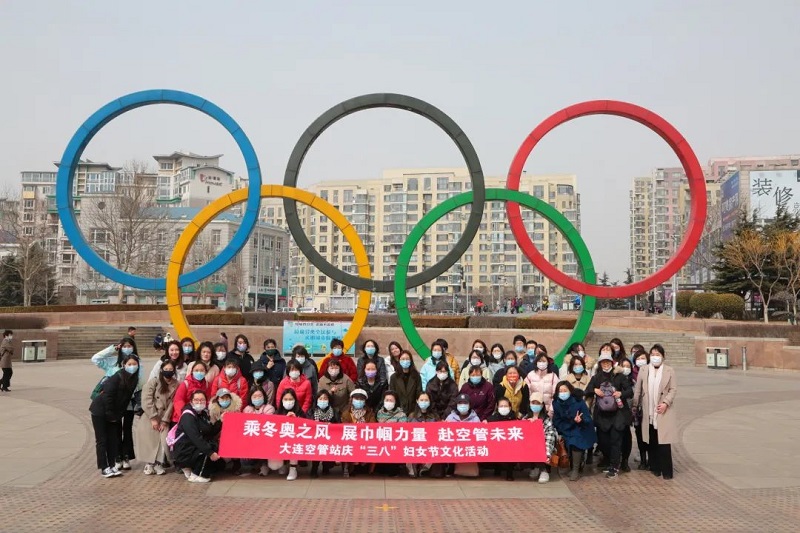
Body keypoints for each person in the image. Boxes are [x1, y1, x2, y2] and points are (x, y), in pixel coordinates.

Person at [91, 336, 144, 470]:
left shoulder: (138, 362)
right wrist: (112, 349)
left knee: (127, 429)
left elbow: (140, 383)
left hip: (129, 402)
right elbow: (95, 359)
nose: (127, 348)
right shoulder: (112, 362)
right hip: (114, 403)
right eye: (124, 346)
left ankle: (126, 456)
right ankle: (117, 457)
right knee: (115, 430)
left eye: (129, 346)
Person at [585, 352, 632, 478]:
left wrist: (620, 393)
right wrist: (594, 390)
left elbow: (630, 391)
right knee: (603, 441)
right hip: (602, 415)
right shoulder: (596, 377)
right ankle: (609, 461)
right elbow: (587, 390)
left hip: (618, 415)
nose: (606, 364)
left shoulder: (620, 376)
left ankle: (614, 467)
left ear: (612, 362)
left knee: (616, 441)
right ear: (600, 364)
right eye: (603, 362)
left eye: (608, 362)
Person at [633, 344, 677, 480]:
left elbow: (673, 389)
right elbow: (638, 390)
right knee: (651, 440)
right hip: (648, 410)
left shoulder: (669, 370)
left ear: (663, 356)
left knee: (664, 442)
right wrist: (635, 405)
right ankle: (655, 467)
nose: (655, 357)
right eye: (652, 354)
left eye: (658, 354)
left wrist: (665, 403)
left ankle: (667, 472)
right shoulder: (644, 370)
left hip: (663, 410)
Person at [137, 360, 178, 476]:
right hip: (150, 415)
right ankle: (149, 464)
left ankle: (159, 463)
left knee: (163, 441)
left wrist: (165, 420)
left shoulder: (176, 384)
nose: (168, 372)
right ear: (161, 370)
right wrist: (153, 417)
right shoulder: (154, 382)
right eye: (166, 370)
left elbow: (173, 403)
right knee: (150, 440)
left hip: (165, 417)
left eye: (171, 370)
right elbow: (146, 400)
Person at [172, 390, 223, 483]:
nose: (199, 402)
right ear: (191, 401)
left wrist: (221, 421)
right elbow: (195, 438)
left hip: (193, 447)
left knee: (219, 464)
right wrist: (210, 453)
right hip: (184, 450)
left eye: (202, 400)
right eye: (196, 400)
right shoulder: (188, 416)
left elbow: (209, 431)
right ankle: (198, 474)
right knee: (210, 448)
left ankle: (191, 469)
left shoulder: (202, 414)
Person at [552, 381, 596, 481]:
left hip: (581, 428)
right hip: (566, 427)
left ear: (570, 391)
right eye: (560, 391)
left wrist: (581, 420)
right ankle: (575, 466)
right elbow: (557, 418)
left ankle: (575, 470)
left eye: (565, 390)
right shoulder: (556, 402)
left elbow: (587, 417)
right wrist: (560, 428)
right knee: (568, 446)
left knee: (576, 443)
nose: (562, 393)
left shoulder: (578, 401)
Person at [521, 392, 557, 483]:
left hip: (543, 446)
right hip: (529, 447)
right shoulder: (525, 418)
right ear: (529, 404)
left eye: (538, 403)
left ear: (542, 405)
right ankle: (535, 467)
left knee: (539, 447)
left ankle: (544, 470)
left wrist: (548, 454)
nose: (535, 405)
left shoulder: (546, 419)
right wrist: (527, 425)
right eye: (533, 403)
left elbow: (550, 437)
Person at [340, 389, 377, 477]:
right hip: (352, 437)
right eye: (356, 399)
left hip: (365, 437)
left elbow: (373, 425)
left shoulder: (369, 412)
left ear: (365, 401)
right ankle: (348, 467)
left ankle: (369, 469)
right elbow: (344, 427)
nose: (359, 401)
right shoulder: (346, 413)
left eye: (361, 399)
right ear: (352, 400)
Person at [307, 389, 340, 478]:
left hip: (330, 437)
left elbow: (339, 425)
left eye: (325, 398)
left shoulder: (334, 411)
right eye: (320, 398)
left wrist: (332, 425)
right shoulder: (312, 411)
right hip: (316, 437)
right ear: (317, 400)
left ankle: (326, 467)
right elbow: (308, 424)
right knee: (317, 450)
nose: (323, 400)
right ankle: (314, 469)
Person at [445, 393, 481, 477]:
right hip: (454, 445)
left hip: (469, 445)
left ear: (469, 405)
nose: (462, 405)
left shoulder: (475, 418)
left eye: (465, 403)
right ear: (457, 405)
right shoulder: (451, 417)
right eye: (460, 403)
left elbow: (479, 434)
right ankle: (451, 466)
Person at [243, 387, 276, 477]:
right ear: (250, 398)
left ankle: (264, 464)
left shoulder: (269, 408)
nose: (257, 398)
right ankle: (256, 464)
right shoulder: (247, 409)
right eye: (255, 396)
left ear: (264, 397)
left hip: (265, 437)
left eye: (259, 396)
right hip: (251, 438)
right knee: (245, 460)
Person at [275, 388, 305, 480]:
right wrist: (284, 419)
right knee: (274, 466)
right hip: (281, 441)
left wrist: (296, 419)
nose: (288, 401)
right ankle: (283, 464)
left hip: (295, 441)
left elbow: (305, 426)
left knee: (294, 444)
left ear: (295, 400)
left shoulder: (300, 411)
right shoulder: (278, 412)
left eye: (291, 399)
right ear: (282, 400)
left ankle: (293, 468)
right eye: (286, 399)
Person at [407, 392, 440, 478]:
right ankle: (412, 468)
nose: (424, 402)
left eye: (426, 400)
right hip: (415, 444)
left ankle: (424, 468)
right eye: (421, 400)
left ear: (429, 402)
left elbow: (439, 433)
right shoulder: (412, 416)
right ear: (417, 401)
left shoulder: (434, 416)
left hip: (430, 444)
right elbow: (407, 433)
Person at [487, 397, 519, 480]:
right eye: (501, 406)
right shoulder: (493, 418)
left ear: (510, 407)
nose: (503, 408)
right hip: (497, 444)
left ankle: (510, 472)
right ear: (497, 408)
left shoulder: (514, 418)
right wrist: (485, 422)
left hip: (510, 445)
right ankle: (497, 467)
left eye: (505, 406)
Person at [632, 349, 650, 470]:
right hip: (637, 411)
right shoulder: (631, 374)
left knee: (651, 436)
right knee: (639, 435)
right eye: (637, 359)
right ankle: (643, 460)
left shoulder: (652, 372)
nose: (640, 361)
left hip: (649, 409)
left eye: (642, 358)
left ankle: (652, 459)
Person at [389, 350, 422, 416]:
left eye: (407, 359)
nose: (405, 361)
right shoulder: (394, 377)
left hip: (412, 412)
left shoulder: (416, 376)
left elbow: (419, 393)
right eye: (403, 359)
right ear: (399, 361)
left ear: (411, 361)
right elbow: (392, 395)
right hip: (398, 412)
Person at [525, 353, 559, 417]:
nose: (541, 363)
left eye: (544, 361)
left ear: (547, 363)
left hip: (548, 411)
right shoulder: (530, 375)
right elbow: (528, 393)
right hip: (534, 411)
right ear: (536, 363)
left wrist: (551, 410)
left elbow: (555, 394)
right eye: (539, 361)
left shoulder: (553, 376)